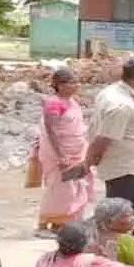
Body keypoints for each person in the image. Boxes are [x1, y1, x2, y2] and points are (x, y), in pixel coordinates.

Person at [84, 56, 134, 246]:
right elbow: (103, 138)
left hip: (131, 167)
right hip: (127, 170)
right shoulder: (121, 104)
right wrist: (88, 161)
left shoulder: (116, 93)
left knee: (129, 217)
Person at [34, 66, 94, 233]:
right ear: (59, 85)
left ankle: (70, 221)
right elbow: (51, 130)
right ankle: (50, 223)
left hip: (77, 150)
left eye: (77, 82)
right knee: (60, 187)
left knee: (79, 185)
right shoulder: (53, 103)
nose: (76, 85)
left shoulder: (73, 102)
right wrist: (61, 156)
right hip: (58, 152)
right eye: (71, 82)